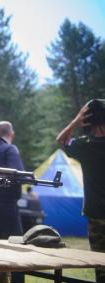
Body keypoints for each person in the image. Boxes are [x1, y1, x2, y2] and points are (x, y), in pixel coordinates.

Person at [56, 99, 105, 283]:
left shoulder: (84, 145)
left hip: (96, 215)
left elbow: (61, 139)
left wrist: (76, 120)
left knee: (100, 265)